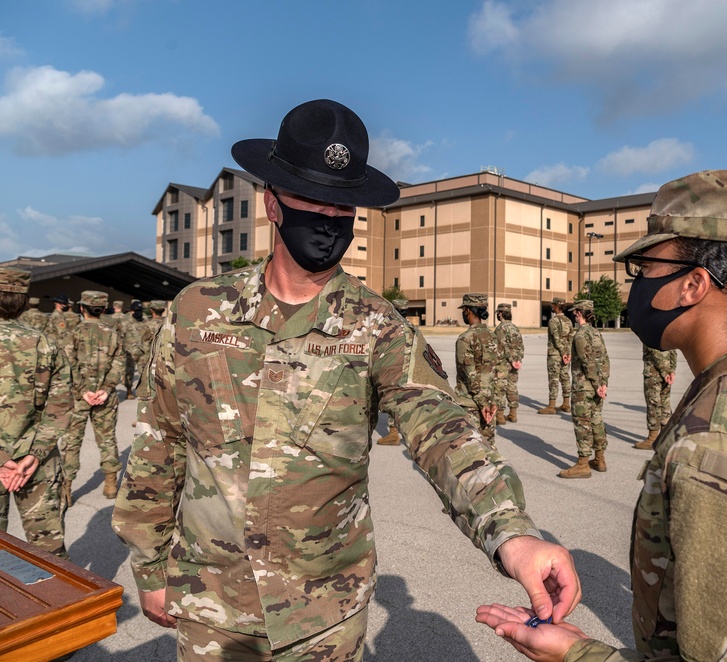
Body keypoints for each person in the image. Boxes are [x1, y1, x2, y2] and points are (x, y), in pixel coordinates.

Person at [112, 99, 579, 661]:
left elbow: (442, 428)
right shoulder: (195, 311)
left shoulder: (377, 326)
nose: (330, 222)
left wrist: (512, 531)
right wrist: (149, 561)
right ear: (272, 203)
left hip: (323, 614)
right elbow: (158, 445)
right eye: (314, 200)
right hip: (213, 604)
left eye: (345, 209)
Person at [478, 169, 727, 661]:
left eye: (646, 268)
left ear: (693, 284)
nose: (638, 286)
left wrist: (575, 653)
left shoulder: (714, 445)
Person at [0, 267, 72, 558]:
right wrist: (34, 454)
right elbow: (60, 406)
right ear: (23, 301)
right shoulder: (46, 344)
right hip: (37, 460)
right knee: (49, 553)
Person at [62, 290, 124, 504]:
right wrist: (105, 388)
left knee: (72, 442)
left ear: (82, 308)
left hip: (79, 397)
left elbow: (67, 365)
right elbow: (120, 362)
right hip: (105, 397)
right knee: (107, 439)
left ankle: (66, 489)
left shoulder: (74, 332)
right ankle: (110, 485)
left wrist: (82, 391)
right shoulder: (112, 332)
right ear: (103, 309)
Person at [557, 300, 609, 479]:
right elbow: (605, 360)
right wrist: (603, 384)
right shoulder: (596, 333)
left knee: (582, 424)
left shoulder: (580, 335)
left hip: (583, 388)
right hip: (597, 387)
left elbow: (587, 363)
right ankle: (600, 459)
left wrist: (596, 384)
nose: (573, 315)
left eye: (575, 312)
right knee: (596, 420)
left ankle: (583, 464)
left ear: (579, 313)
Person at [455, 293, 500, 444]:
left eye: (464, 310)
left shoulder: (465, 339)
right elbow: (498, 372)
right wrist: (494, 403)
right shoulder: (492, 337)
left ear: (468, 310)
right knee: (489, 450)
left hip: (471, 405)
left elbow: (471, 376)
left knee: (471, 452)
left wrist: (483, 405)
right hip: (489, 403)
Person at [376, 297, 409, 446]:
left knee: (393, 399)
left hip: (394, 369)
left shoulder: (391, 327)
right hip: (409, 370)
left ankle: (393, 434)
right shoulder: (410, 327)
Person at [634, 345, 676, 450]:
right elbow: (673, 350)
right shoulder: (667, 329)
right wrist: (672, 370)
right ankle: (665, 437)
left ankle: (652, 439)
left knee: (653, 405)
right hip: (667, 373)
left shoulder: (650, 330)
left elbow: (654, 351)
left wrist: (664, 371)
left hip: (654, 373)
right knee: (665, 402)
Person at [538, 297, 572, 414]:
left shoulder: (553, 321)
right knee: (565, 378)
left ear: (557, 306)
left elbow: (556, 339)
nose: (552, 307)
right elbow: (571, 338)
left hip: (555, 355)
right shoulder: (569, 321)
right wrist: (568, 353)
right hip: (566, 355)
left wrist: (563, 353)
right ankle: (566, 404)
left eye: (553, 305)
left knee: (553, 379)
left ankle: (551, 406)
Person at [494, 302, 524, 424]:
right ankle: (513, 413)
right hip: (514, 364)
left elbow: (502, 347)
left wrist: (511, 359)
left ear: (500, 314)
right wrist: (518, 360)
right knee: (512, 387)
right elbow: (521, 346)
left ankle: (500, 416)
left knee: (499, 388)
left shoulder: (500, 329)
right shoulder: (515, 328)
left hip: (503, 363)